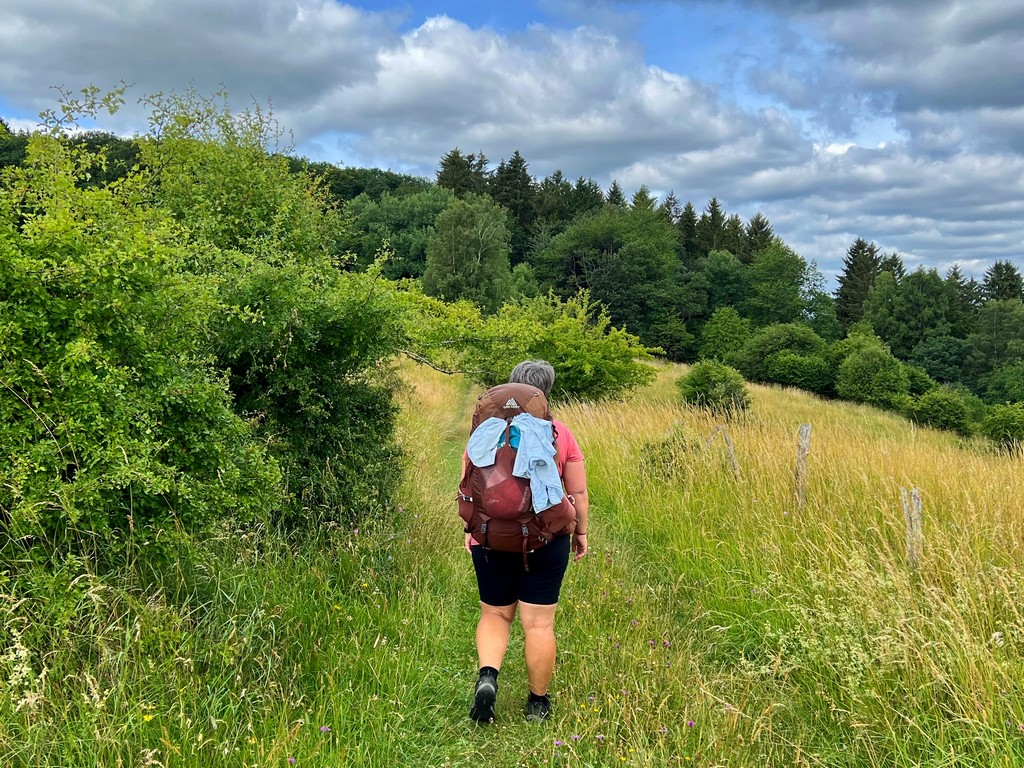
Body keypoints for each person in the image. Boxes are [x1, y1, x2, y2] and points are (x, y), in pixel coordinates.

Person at [464, 360, 589, 723]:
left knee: (495, 613)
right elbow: (577, 491)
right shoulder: (559, 432)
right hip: (546, 539)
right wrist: (580, 532)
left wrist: (471, 534)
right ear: (544, 393)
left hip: (490, 538)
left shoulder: (484, 432)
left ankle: (488, 675)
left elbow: (469, 487)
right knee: (538, 624)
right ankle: (537, 703)